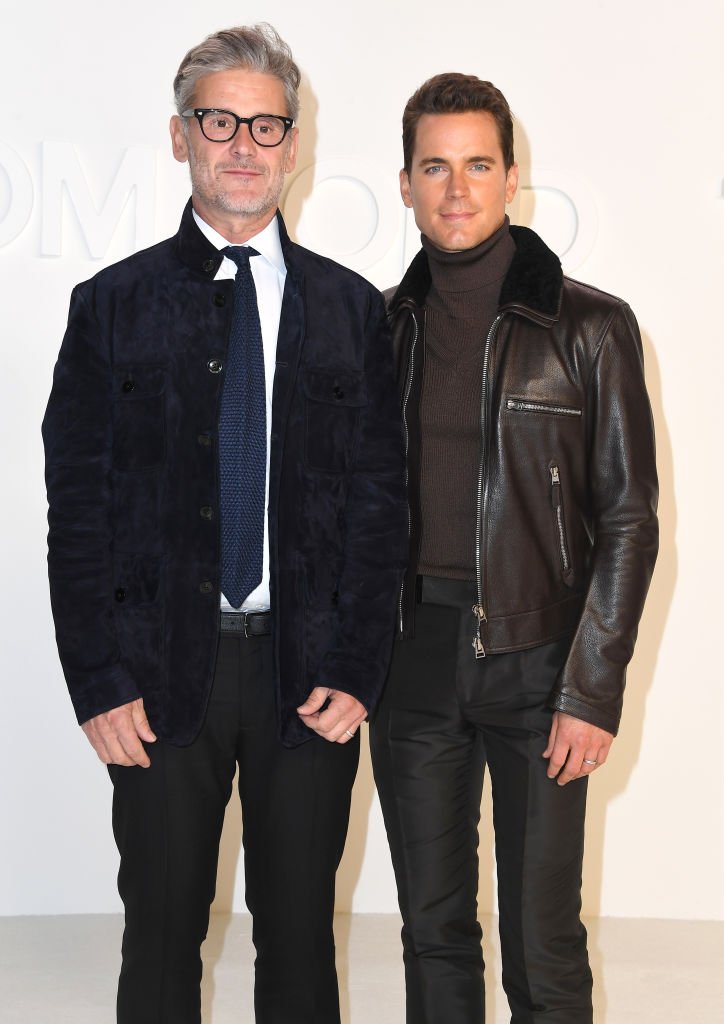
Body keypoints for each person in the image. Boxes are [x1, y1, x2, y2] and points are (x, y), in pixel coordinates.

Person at [42, 23, 407, 1024]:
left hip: (309, 682)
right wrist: (100, 678)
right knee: (160, 936)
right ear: (179, 137)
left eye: (265, 124)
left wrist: (359, 664)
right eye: (218, 120)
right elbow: (76, 508)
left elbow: (381, 502)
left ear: (295, 143)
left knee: (298, 942)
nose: (242, 144)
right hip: (159, 679)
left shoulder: (349, 313)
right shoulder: (109, 308)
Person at [369, 73, 658, 1024]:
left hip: (538, 668)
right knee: (433, 935)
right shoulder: (380, 329)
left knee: (544, 945)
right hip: (412, 666)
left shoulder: (592, 327)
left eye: (478, 165)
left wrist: (591, 689)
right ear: (405, 182)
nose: (458, 189)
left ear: (513, 178)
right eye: (435, 167)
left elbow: (628, 521)